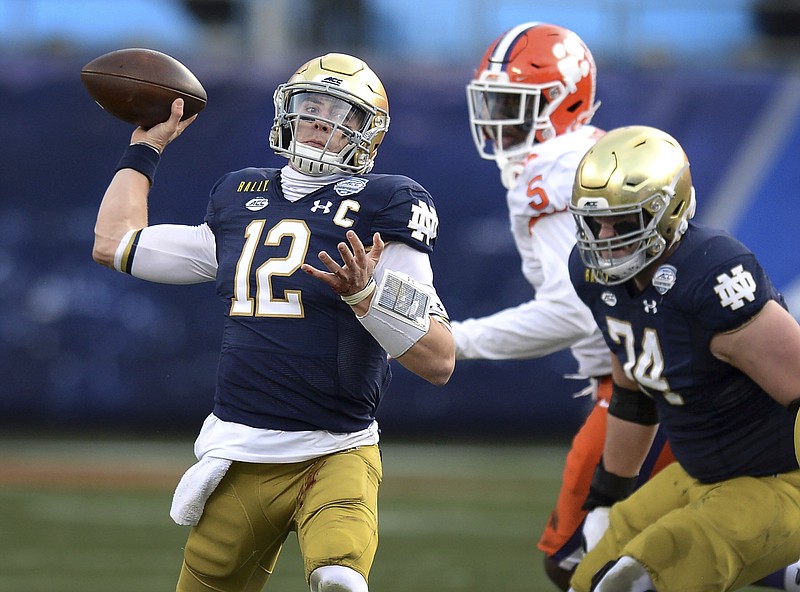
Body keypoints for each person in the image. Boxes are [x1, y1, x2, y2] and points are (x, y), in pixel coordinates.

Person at [91, 53, 455, 592]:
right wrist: (145, 148)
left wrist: (368, 295)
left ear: (367, 135)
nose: (320, 121)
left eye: (340, 113)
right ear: (287, 112)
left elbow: (439, 359)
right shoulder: (241, 195)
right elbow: (115, 244)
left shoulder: (386, 204)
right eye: (311, 106)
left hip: (336, 446)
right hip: (242, 450)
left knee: (339, 579)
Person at [452, 22, 674, 590]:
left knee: (579, 559)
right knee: (681, 541)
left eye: (512, 103)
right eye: (493, 101)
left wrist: (456, 340)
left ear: (565, 100)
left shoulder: (554, 173)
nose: (496, 117)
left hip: (645, 386)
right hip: (659, 374)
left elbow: (575, 310)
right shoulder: (585, 152)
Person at [566, 124, 800, 592]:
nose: (605, 238)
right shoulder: (592, 275)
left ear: (667, 213)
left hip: (777, 481)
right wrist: (608, 497)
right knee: (585, 578)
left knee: (636, 581)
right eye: (596, 223)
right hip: (699, 475)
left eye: (624, 223)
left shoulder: (711, 276)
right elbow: (634, 392)